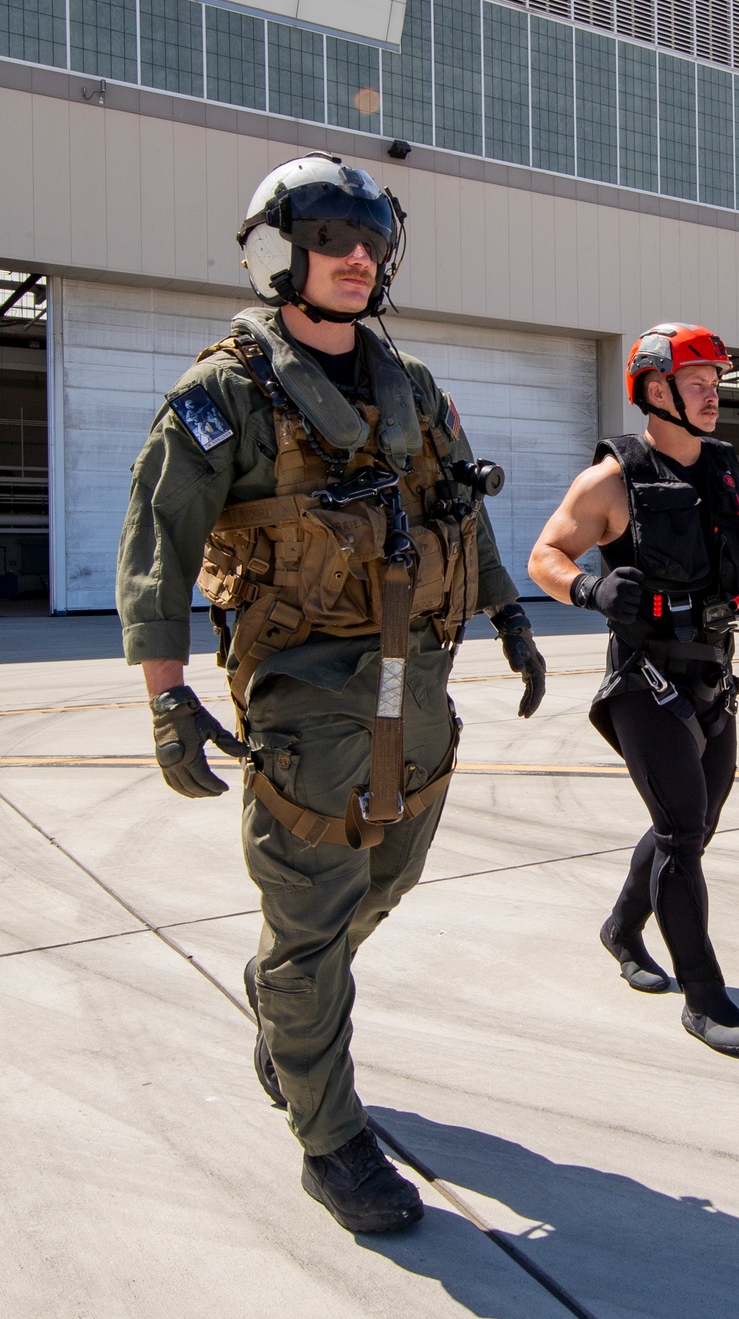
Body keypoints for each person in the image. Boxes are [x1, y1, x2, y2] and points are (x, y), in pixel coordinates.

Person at [116, 153, 546, 1233]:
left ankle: (288, 1010)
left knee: (379, 889)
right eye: (332, 239)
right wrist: (167, 699)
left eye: (372, 240)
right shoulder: (223, 396)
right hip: (309, 700)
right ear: (279, 252)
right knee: (309, 922)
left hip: (423, 687)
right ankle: (330, 1139)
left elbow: (461, 506)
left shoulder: (413, 387)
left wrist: (508, 613)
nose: (359, 258)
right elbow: (156, 552)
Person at [528, 323, 739, 1057]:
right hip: (644, 682)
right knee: (682, 832)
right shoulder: (611, 480)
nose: (714, 396)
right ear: (653, 389)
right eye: (698, 383)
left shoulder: (731, 476)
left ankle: (621, 927)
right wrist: (587, 586)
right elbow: (544, 555)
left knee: (694, 826)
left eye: (716, 383)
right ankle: (704, 998)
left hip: (714, 673)